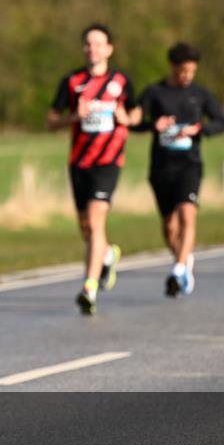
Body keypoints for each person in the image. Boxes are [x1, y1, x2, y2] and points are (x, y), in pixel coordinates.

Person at [48, 24, 141, 315]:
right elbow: (51, 120)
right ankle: (108, 254)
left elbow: (137, 113)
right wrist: (74, 116)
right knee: (86, 228)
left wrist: (127, 117)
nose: (93, 49)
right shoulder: (72, 81)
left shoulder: (121, 81)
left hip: (109, 161)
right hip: (79, 162)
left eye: (98, 44)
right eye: (88, 44)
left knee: (96, 217)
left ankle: (89, 286)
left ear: (109, 48)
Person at [136, 43, 224, 297]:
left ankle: (178, 270)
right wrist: (155, 125)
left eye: (192, 71)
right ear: (173, 67)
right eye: (183, 71)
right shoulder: (155, 93)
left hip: (190, 164)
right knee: (169, 227)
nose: (187, 76)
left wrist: (199, 130)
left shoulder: (200, 94)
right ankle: (184, 260)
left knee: (188, 214)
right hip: (161, 167)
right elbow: (133, 121)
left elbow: (222, 122)